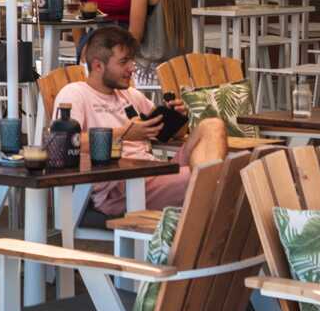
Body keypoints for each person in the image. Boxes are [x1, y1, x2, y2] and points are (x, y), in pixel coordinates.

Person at [55, 25, 224, 216]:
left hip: (152, 172)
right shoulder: (75, 94)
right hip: (121, 186)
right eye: (123, 62)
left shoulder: (130, 95)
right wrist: (124, 134)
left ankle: (209, 188)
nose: (132, 68)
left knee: (212, 125)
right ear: (97, 65)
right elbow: (63, 143)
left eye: (132, 60)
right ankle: (210, 196)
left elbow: (170, 134)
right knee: (209, 179)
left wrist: (176, 118)